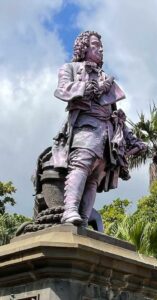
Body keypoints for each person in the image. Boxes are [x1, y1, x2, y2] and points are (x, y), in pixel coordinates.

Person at [52, 31, 146, 226]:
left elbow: (114, 115)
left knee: (94, 179)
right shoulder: (70, 68)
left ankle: (84, 221)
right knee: (80, 167)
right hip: (85, 129)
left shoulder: (106, 78)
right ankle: (69, 210)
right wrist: (88, 88)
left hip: (106, 136)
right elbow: (62, 90)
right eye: (95, 45)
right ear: (84, 47)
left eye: (101, 46)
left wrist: (132, 139)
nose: (101, 49)